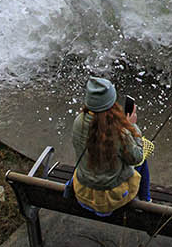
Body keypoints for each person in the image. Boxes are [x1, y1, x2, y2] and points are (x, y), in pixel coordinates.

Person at [65, 77, 154, 215]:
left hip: (83, 192)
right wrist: (132, 127)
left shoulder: (79, 122)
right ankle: (146, 202)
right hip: (111, 198)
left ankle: (146, 201)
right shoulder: (120, 132)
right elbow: (136, 158)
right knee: (143, 159)